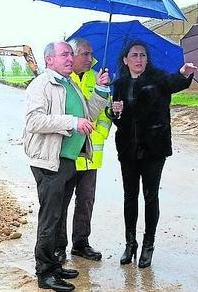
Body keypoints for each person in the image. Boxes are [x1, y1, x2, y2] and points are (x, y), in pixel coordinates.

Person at [24, 41, 110, 291]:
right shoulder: (42, 85)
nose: (70, 58)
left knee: (59, 215)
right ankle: (45, 273)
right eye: (64, 54)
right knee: (50, 217)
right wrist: (72, 122)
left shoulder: (69, 83)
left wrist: (101, 91)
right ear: (49, 59)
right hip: (50, 161)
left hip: (68, 161)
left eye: (71, 54)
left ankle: (54, 265)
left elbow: (89, 115)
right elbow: (34, 120)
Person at [110, 40, 197, 268]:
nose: (139, 59)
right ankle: (130, 244)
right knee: (130, 197)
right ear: (125, 59)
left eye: (143, 55)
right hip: (127, 149)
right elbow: (117, 119)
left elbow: (175, 82)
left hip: (153, 149)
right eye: (134, 55)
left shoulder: (158, 78)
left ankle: (148, 244)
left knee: (150, 196)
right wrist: (114, 112)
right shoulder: (119, 83)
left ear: (147, 59)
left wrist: (184, 73)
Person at [54, 38, 113, 263]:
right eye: (85, 54)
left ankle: (81, 243)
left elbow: (106, 112)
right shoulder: (63, 80)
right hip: (68, 152)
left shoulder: (99, 78)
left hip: (90, 153)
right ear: (73, 54)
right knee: (62, 202)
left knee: (86, 200)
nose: (90, 59)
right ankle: (59, 247)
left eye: (91, 54)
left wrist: (106, 124)